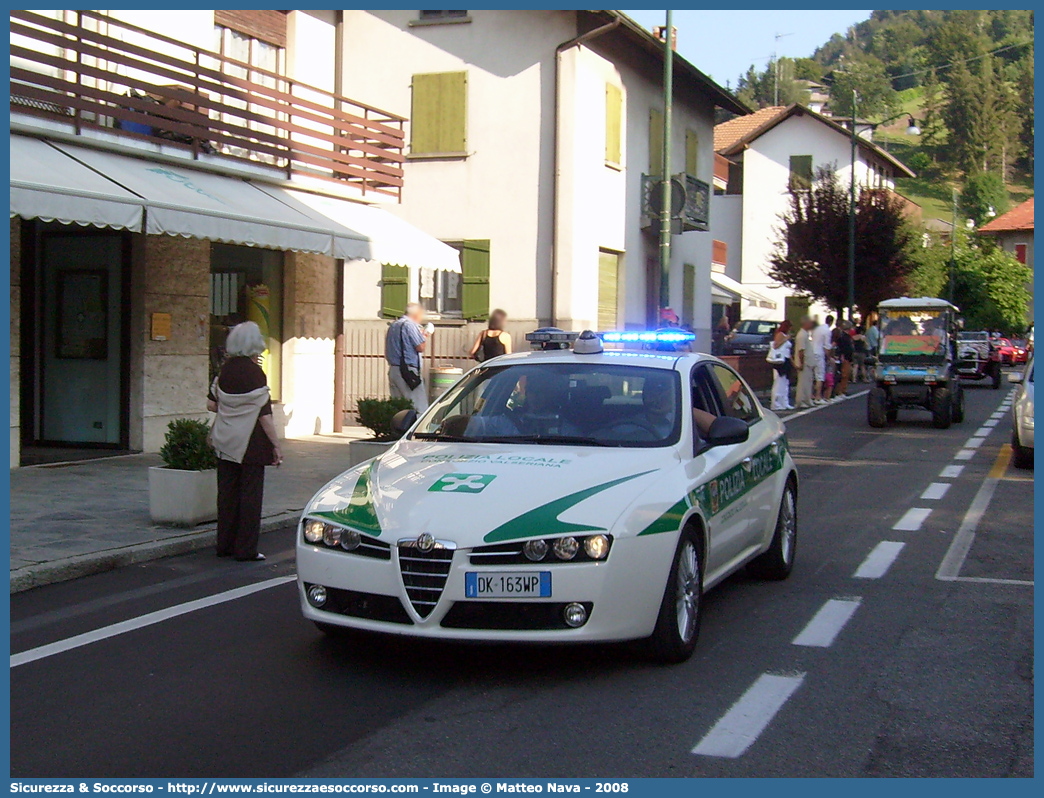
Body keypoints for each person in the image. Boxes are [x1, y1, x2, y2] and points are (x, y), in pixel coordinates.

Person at [207, 321, 282, 562]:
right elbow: (265, 416)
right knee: (250, 497)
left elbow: (211, 404)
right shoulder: (255, 373)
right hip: (252, 443)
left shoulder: (224, 370)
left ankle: (224, 545)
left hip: (226, 441)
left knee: (227, 495)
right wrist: (276, 445)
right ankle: (246, 549)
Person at [385, 303, 432, 413]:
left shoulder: (393, 326)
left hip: (393, 369)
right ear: (416, 314)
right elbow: (420, 347)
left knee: (399, 408)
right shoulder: (410, 325)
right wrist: (425, 335)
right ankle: (419, 429)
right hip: (407, 370)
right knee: (418, 405)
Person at [768, 320, 795, 411]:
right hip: (780, 361)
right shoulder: (780, 334)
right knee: (779, 383)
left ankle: (784, 402)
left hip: (786, 360)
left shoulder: (784, 335)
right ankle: (776, 403)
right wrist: (786, 339)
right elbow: (776, 346)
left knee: (785, 383)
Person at [793, 317, 815, 409]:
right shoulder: (802, 335)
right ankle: (801, 400)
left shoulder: (805, 334)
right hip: (804, 362)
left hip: (808, 362)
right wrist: (801, 363)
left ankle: (807, 399)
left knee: (807, 382)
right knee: (803, 383)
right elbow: (801, 351)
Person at [812, 314, 834, 404]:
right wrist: (828, 357)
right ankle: (818, 396)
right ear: (832, 322)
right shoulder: (827, 331)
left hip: (811, 352)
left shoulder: (817, 329)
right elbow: (827, 347)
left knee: (811, 375)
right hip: (819, 354)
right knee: (819, 376)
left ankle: (811, 395)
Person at [834, 321, 854, 397]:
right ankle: (841, 390)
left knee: (845, 375)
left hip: (846, 357)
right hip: (845, 358)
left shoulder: (843, 337)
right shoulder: (844, 337)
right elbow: (845, 348)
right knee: (844, 375)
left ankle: (842, 390)